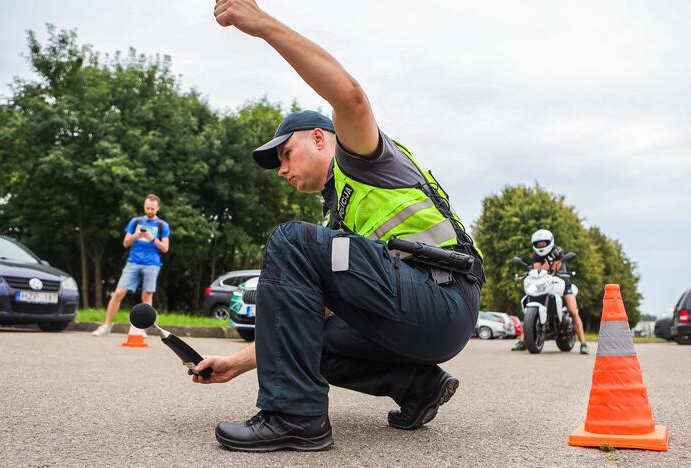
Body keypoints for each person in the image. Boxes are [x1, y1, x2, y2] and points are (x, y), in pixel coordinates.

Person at [191, 0, 485, 452]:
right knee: (315, 338)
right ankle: (418, 387)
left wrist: (263, 25)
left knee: (289, 239)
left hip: (440, 299)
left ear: (318, 137)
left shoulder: (362, 158)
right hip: (428, 320)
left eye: (284, 155)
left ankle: (294, 416)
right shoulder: (341, 214)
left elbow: (349, 95)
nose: (281, 171)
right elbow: (308, 320)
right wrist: (238, 362)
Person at [92, 194, 170, 336]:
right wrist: (136, 235)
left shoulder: (162, 225)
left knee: (147, 296)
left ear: (158, 208)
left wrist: (152, 238)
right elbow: (125, 243)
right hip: (133, 262)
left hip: (152, 264)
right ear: (144, 206)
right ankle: (106, 325)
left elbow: (165, 248)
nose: (149, 210)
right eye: (147, 207)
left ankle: (142, 329)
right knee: (118, 293)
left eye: (152, 208)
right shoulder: (136, 221)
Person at [512, 229, 589, 354]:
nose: (541, 246)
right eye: (539, 244)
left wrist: (548, 266)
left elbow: (555, 267)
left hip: (562, 281)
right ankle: (523, 340)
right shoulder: (535, 255)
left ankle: (583, 344)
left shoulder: (557, 251)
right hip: (544, 283)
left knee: (573, 311)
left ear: (549, 242)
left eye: (544, 243)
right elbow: (538, 270)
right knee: (529, 307)